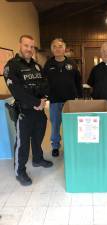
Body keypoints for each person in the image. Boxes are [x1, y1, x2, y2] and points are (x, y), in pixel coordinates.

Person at [3, 35, 53, 186]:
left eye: (32, 47)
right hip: (24, 112)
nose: (29, 49)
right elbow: (16, 91)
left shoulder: (36, 66)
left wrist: (43, 98)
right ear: (20, 45)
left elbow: (45, 84)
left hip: (39, 111)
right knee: (22, 143)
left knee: (38, 138)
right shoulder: (12, 66)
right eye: (26, 46)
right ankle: (20, 171)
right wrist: (36, 102)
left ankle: (38, 159)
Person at [43, 38, 82, 157]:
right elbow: (44, 82)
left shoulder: (72, 63)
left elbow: (78, 81)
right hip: (54, 101)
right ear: (51, 49)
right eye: (54, 46)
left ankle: (70, 145)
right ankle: (55, 146)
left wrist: (79, 97)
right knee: (55, 125)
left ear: (64, 48)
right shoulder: (48, 64)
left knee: (70, 125)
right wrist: (45, 96)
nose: (57, 48)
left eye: (60, 46)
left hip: (69, 101)